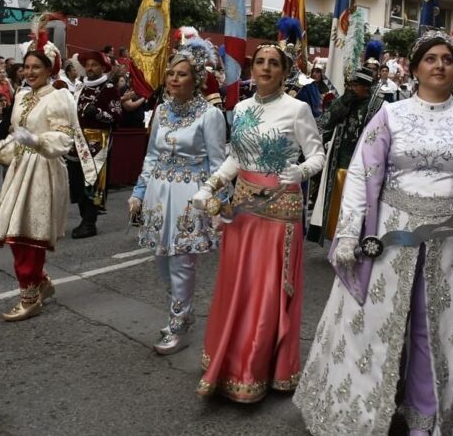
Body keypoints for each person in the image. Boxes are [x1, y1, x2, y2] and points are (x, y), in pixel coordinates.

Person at [294, 32, 453, 435]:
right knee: (375, 321)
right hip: (390, 237)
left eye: (447, 60)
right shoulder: (391, 117)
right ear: (415, 69)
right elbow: (363, 175)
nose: (440, 65)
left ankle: (425, 419)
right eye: (430, 59)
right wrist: (347, 234)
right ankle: (363, 416)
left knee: (436, 329)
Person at [190, 43, 325, 403]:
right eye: (260, 62)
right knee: (238, 287)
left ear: (284, 71)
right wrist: (210, 186)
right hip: (242, 210)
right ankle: (229, 362)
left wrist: (301, 170)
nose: (265, 68)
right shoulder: (242, 108)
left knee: (267, 292)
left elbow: (317, 155)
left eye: (273, 63)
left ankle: (258, 371)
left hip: (280, 210)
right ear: (252, 69)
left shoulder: (298, 109)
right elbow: (236, 158)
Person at [129, 38, 226, 354]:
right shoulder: (161, 110)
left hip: (189, 196)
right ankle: (181, 312)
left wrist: (217, 205)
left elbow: (218, 164)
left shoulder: (209, 115)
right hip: (158, 193)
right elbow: (151, 156)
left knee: (182, 263)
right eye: (171, 73)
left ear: (196, 80)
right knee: (161, 260)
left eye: (181, 74)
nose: (173, 78)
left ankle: (179, 323)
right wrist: (139, 192)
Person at [0, 34, 85, 320]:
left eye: (35, 68)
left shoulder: (58, 95)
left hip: (42, 169)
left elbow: (64, 139)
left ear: (50, 69)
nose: (28, 72)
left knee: (28, 235)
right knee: (17, 235)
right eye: (26, 67)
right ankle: (39, 282)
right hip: (20, 168)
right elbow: (15, 134)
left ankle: (30, 297)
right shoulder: (22, 94)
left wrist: (37, 141)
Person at [307, 66, 384, 244]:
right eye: (349, 84)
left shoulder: (379, 106)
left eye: (354, 85)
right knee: (338, 207)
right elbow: (325, 122)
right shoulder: (345, 101)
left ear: (365, 86)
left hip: (365, 167)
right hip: (340, 163)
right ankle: (338, 240)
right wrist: (343, 102)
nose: (350, 88)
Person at [69, 48, 123, 238]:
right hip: (77, 142)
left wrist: (98, 113)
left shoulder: (109, 89)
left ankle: (89, 222)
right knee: (77, 182)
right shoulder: (79, 87)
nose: (90, 68)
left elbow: (116, 115)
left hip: (97, 143)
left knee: (91, 182)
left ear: (102, 67)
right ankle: (85, 217)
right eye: (88, 65)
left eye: (94, 65)